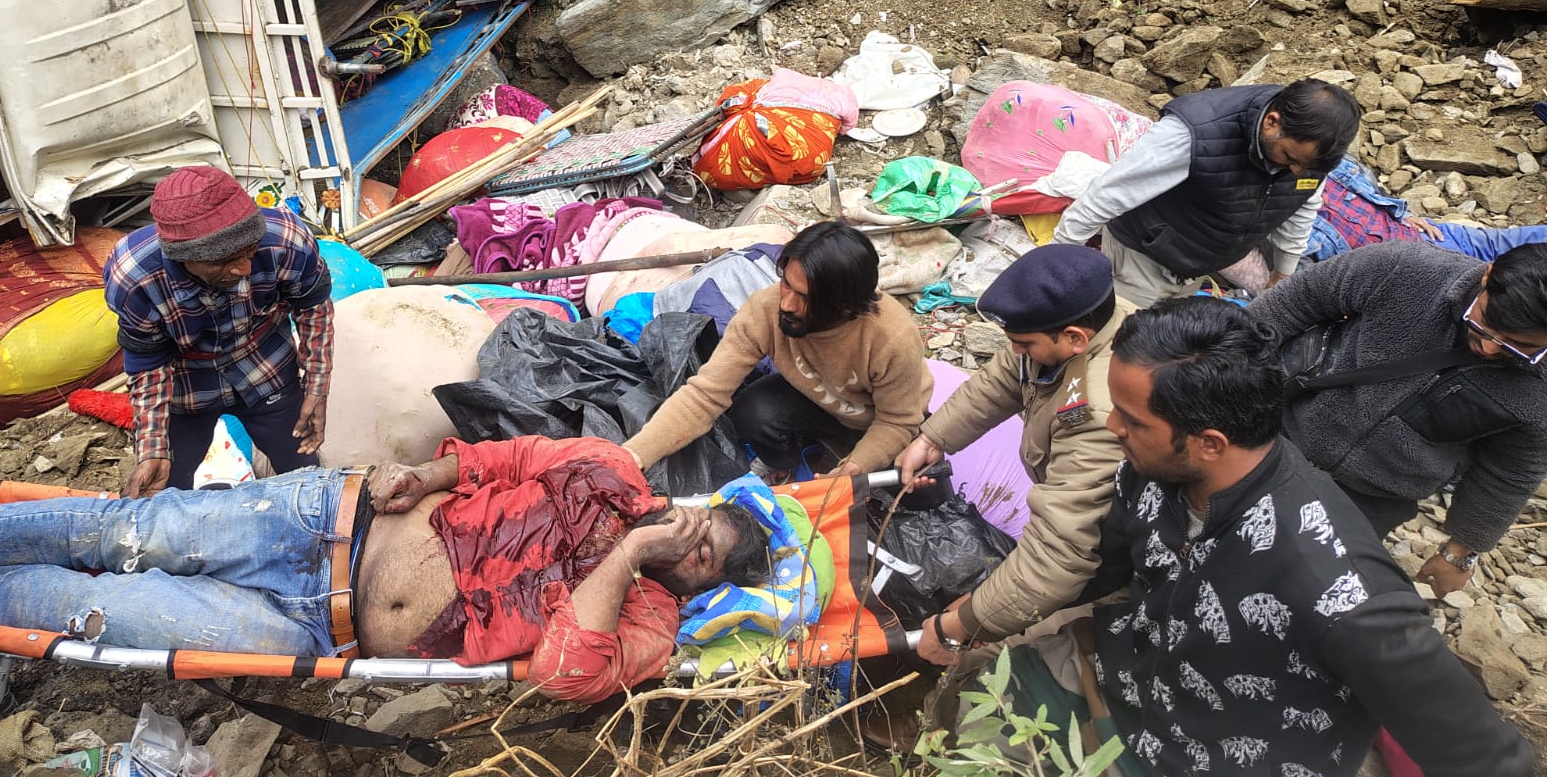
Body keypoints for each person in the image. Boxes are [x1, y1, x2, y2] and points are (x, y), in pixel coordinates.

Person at [0, 435, 769, 703]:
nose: (686, 542)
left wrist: (629, 555)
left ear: (705, 586)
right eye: (699, 526)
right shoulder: (611, 469)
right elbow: (505, 457)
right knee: (128, 531)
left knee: (115, 614)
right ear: (692, 502)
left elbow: (562, 673)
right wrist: (427, 473)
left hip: (313, 631)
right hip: (324, 518)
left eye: (703, 557)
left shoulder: (648, 622)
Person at [1075, 297, 1532, 776]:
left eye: (1132, 419)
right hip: (1128, 690)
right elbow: (1107, 565)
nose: (1112, 426)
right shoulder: (1152, 468)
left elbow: (1488, 760)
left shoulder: (1341, 593)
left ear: (1209, 443)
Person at [1248, 240, 1547, 595]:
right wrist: (1214, 378)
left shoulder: (1540, 389)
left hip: (1373, 497)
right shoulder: (1408, 268)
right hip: (1280, 429)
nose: (1489, 347)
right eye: (1484, 325)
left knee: (1291, 587)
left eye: (1519, 346)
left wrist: (1460, 552)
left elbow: (1509, 472)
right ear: (1488, 276)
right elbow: (1288, 306)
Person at [892, 245, 1130, 666]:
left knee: (989, 658)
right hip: (1080, 521)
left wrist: (962, 625)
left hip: (1112, 548)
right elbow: (1006, 377)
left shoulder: (1096, 413)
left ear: (1075, 338)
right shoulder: (1095, 315)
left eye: (1024, 343)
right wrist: (933, 437)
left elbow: (1060, 552)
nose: (1016, 350)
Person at [624, 222, 933, 481]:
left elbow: (896, 422)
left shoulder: (892, 339)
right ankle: (787, 465)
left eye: (805, 297)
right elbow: (704, 395)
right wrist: (632, 456)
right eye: (786, 283)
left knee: (923, 495)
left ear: (845, 305)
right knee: (753, 412)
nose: (787, 304)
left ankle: (844, 454)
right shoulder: (765, 310)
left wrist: (855, 467)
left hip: (879, 416)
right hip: (818, 401)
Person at [104, 165, 335, 497]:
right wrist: (152, 445)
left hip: (266, 367)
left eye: (250, 252)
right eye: (223, 261)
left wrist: (317, 386)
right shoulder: (134, 278)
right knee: (167, 486)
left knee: (304, 473)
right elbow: (148, 365)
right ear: (182, 258)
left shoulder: (287, 240)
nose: (245, 269)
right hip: (184, 385)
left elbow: (314, 310)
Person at [1051, 79, 1361, 307]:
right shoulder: (1195, 133)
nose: (1297, 172)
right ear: (1271, 123)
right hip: (1142, 259)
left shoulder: (1308, 157)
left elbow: (1301, 208)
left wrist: (1282, 273)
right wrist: (1055, 264)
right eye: (1290, 158)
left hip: (1195, 267)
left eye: (1307, 167)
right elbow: (1108, 194)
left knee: (1159, 339)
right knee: (1117, 340)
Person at [1308, 153, 1547, 263]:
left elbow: (1374, 192)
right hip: (1410, 275)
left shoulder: (1333, 163)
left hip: (1430, 236)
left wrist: (1405, 215)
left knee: (1508, 242)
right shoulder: (1291, 228)